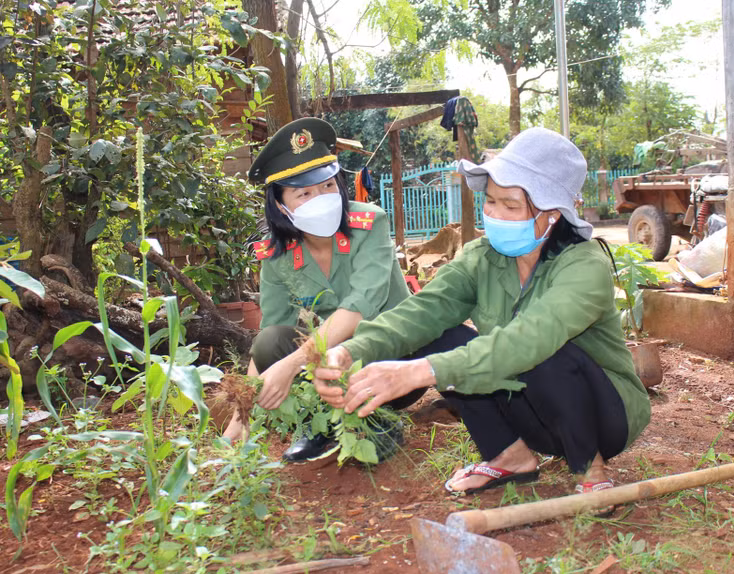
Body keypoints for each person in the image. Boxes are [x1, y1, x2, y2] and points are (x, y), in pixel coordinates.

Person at [313, 127, 651, 495]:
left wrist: (416, 373)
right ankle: (509, 456)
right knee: (442, 337)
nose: (494, 214)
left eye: (510, 205)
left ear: (553, 215)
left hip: (602, 416)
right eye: (490, 201)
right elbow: (422, 311)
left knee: (541, 352)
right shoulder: (481, 259)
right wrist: (350, 350)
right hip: (530, 410)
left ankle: (591, 468)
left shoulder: (584, 265)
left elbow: (529, 340)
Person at [222, 118, 409, 461]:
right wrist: (240, 418)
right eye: (304, 193)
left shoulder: (370, 224)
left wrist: (292, 365)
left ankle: (381, 419)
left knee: (339, 342)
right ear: (280, 205)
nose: (320, 198)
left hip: (391, 350)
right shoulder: (276, 254)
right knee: (270, 342)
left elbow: (358, 309)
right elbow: (272, 333)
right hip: (330, 361)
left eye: (327, 186)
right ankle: (317, 426)